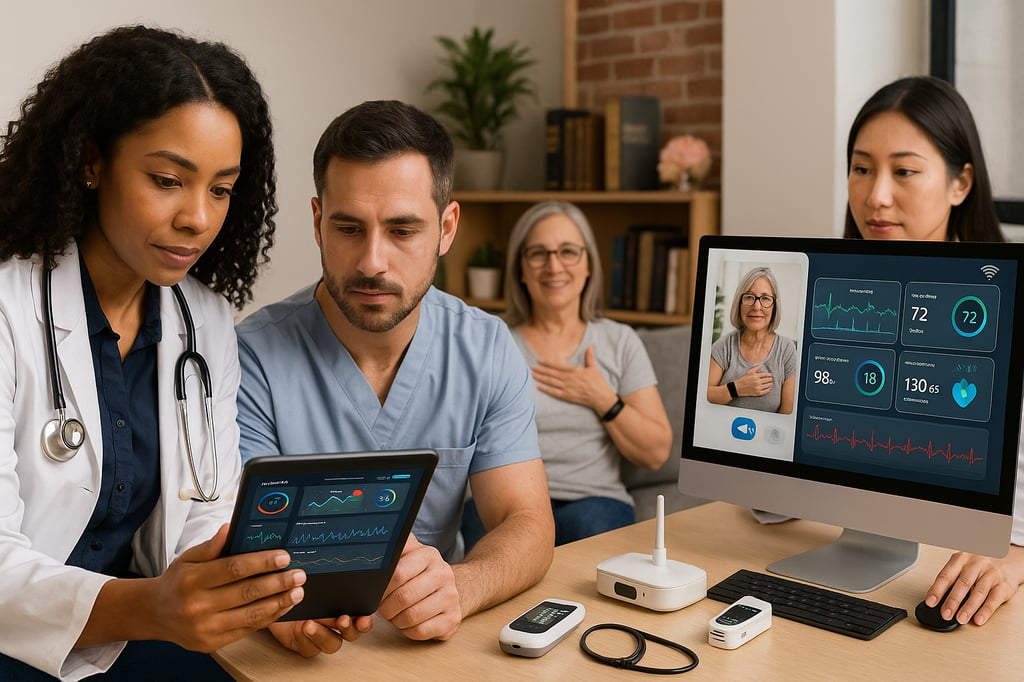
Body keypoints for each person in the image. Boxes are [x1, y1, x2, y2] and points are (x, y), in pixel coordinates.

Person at [0, 26, 314, 680]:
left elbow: (206, 511)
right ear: (91, 161)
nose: (198, 218)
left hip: (127, 640)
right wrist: (153, 608)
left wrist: (249, 595)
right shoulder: (7, 307)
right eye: (169, 179)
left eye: (221, 188)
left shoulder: (203, 321)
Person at [235, 100, 555, 656]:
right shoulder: (249, 358)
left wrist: (461, 585)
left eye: (403, 229)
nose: (372, 262)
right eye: (349, 228)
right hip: (287, 646)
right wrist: (274, 609)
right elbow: (238, 549)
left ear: (446, 228)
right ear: (317, 223)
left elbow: (526, 521)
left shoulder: (485, 348)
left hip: (431, 645)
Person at [842, 75, 1022, 626]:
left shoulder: (1003, 301)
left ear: (960, 183)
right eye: (861, 168)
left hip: (964, 572)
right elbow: (771, 506)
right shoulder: (834, 301)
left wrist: (1018, 555)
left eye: (904, 171)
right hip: (856, 562)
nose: (875, 197)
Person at [462, 200, 672, 547]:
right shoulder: (493, 340)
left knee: (588, 526)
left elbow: (656, 452)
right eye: (538, 254)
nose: (554, 265)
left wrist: (602, 398)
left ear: (588, 264)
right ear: (521, 270)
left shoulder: (618, 340)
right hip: (507, 499)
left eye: (568, 251)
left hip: (593, 499)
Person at [707, 266, 797, 414]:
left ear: (775, 306)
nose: (756, 306)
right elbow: (704, 395)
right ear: (739, 303)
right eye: (749, 297)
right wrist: (737, 388)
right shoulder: (725, 345)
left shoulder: (787, 349)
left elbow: (787, 413)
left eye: (765, 299)